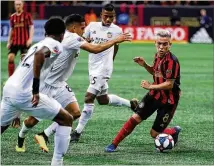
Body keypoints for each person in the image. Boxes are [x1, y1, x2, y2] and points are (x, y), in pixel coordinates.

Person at [15, 13, 133, 153]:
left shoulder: (67, 36)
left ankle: (43, 135)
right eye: (82, 28)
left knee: (75, 113)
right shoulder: (72, 38)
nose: (84, 30)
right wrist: (115, 40)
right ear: (74, 27)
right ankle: (20, 138)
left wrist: (84, 38)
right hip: (46, 85)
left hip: (60, 84)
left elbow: (75, 41)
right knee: (32, 121)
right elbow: (95, 49)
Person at [1, 17, 73, 166]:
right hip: (23, 93)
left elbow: (23, 60)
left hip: (9, 89)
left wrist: (17, 110)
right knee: (66, 119)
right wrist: (35, 90)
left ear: (45, 32)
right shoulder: (56, 45)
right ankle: (57, 163)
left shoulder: (38, 43)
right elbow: (40, 55)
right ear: (62, 34)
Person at [105, 30, 181, 152]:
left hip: (169, 100)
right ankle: (114, 144)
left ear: (170, 44)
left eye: (165, 44)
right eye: (159, 44)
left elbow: (169, 84)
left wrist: (150, 86)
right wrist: (145, 65)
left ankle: (173, 131)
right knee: (135, 118)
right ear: (155, 43)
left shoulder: (172, 61)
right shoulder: (157, 56)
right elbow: (156, 72)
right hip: (154, 94)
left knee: (154, 134)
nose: (161, 47)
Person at [71, 4, 138, 142]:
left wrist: (109, 63)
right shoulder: (92, 26)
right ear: (101, 15)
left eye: (111, 17)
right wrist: (86, 40)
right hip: (93, 67)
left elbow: (116, 47)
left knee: (89, 98)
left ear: (114, 16)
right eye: (106, 16)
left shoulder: (117, 30)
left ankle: (77, 132)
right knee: (103, 100)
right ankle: (131, 104)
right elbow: (84, 40)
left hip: (104, 69)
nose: (108, 19)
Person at [7, 0, 34, 77]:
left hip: (24, 42)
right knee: (10, 58)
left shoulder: (27, 15)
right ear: (14, 5)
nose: (18, 6)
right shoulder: (12, 17)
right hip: (15, 42)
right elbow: (11, 29)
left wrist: (30, 39)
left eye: (19, 4)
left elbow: (31, 27)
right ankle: (11, 78)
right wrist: (9, 41)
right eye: (16, 5)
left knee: (24, 60)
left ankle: (22, 78)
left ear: (22, 5)